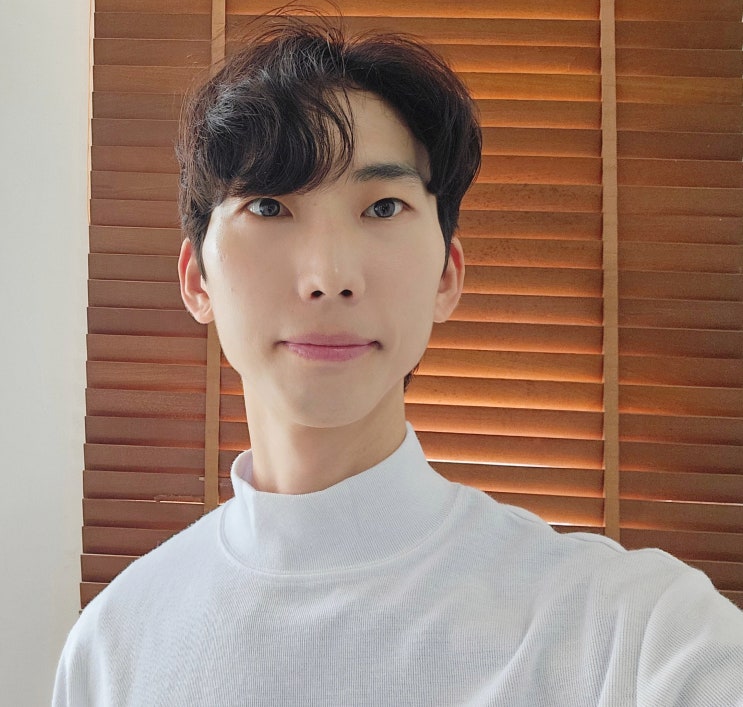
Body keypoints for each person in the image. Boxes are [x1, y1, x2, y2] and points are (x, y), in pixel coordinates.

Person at [54, 15, 743, 706]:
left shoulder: (637, 633)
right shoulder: (113, 648)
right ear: (196, 279)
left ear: (447, 274)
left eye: (383, 207)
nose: (329, 277)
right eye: (267, 206)